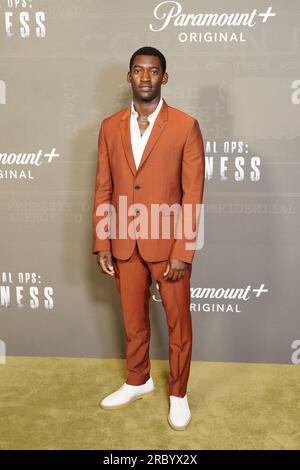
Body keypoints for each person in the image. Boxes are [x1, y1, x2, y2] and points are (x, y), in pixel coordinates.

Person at [92, 46, 205, 430]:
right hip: (124, 242)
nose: (145, 77)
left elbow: (193, 195)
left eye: (153, 71)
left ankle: (178, 394)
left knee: (178, 325)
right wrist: (102, 240)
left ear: (164, 78)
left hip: (168, 245)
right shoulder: (109, 126)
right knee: (133, 320)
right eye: (138, 71)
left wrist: (183, 250)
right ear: (129, 76)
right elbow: (103, 187)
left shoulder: (185, 126)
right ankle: (137, 381)